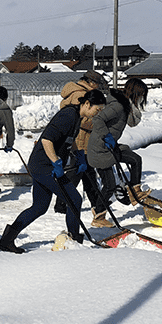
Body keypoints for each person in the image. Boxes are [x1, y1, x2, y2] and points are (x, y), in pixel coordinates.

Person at [0, 89, 106, 254]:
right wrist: (56, 162)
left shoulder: (77, 117)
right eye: (97, 110)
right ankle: (73, 240)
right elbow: (47, 139)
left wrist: (79, 155)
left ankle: (7, 240)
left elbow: (71, 139)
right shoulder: (68, 116)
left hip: (41, 165)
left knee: (39, 207)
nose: (96, 114)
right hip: (44, 165)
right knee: (74, 199)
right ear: (87, 104)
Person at [87, 78, 149, 218]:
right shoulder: (118, 106)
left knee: (135, 160)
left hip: (107, 146)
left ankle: (134, 192)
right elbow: (97, 119)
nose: (140, 100)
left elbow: (132, 122)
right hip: (101, 149)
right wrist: (107, 136)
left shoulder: (123, 104)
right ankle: (99, 214)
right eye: (140, 96)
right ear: (135, 94)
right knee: (109, 186)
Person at [55, 70, 106, 216]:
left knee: (87, 172)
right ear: (90, 82)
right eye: (97, 84)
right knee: (76, 173)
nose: (98, 87)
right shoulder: (79, 95)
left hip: (83, 140)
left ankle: (96, 203)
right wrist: (97, 124)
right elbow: (81, 119)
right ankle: (61, 203)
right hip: (78, 140)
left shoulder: (79, 92)